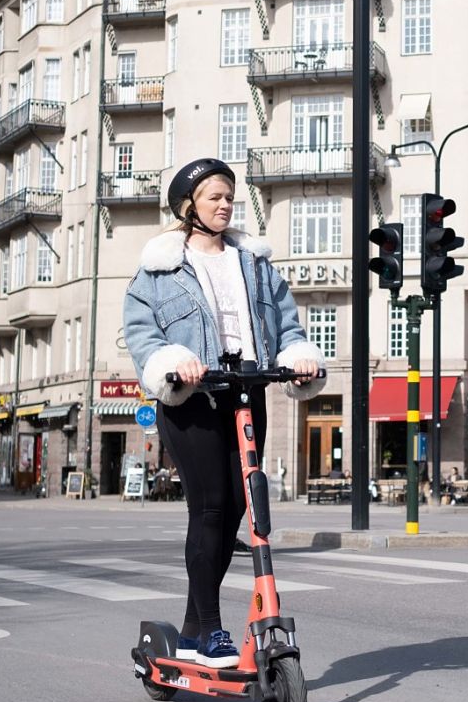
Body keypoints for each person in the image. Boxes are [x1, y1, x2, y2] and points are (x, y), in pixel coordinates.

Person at [123, 158, 324, 669]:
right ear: (188, 207)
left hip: (247, 391)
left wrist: (298, 356)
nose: (225, 205)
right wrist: (173, 362)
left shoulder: (254, 263)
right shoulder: (159, 270)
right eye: (214, 197)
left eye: (229, 196)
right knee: (210, 508)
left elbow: (287, 324)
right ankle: (211, 630)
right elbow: (143, 334)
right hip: (193, 398)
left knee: (239, 508)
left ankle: (192, 630)